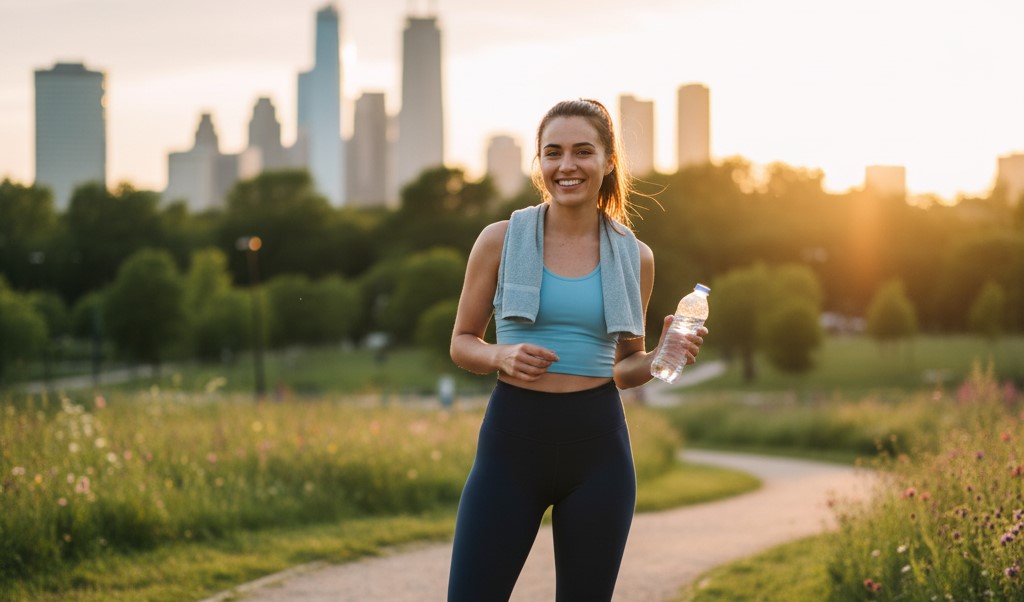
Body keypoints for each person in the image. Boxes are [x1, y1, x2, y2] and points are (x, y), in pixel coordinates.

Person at [446, 98, 707, 601]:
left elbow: (625, 367)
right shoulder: (499, 240)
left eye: (583, 151)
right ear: (539, 162)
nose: (567, 166)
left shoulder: (635, 255)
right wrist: (500, 355)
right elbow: (461, 344)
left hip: (598, 451)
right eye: (553, 152)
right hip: (512, 444)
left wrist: (658, 359)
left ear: (609, 161)